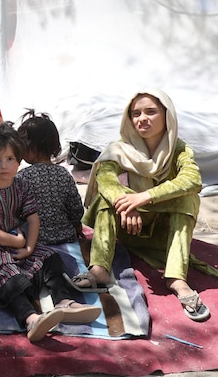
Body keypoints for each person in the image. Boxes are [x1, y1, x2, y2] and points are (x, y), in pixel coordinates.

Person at [79, 89, 214, 321]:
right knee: (107, 197)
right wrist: (128, 204)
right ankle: (99, 268)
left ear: (166, 115)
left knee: (188, 197)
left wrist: (144, 197)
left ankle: (176, 278)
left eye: (151, 112)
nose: (142, 118)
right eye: (136, 113)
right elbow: (106, 179)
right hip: (129, 226)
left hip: (162, 233)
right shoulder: (119, 148)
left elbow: (192, 180)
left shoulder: (179, 150)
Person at [0, 123, 100, 342]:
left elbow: (32, 217)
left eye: (10, 159)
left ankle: (64, 301)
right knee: (7, 274)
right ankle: (30, 318)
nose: (4, 166)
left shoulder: (20, 184)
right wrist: (16, 241)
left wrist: (30, 246)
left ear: (19, 159)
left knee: (50, 258)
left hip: (19, 240)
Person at [16, 110, 84, 247]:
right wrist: (77, 226)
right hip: (66, 237)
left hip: (33, 240)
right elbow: (76, 210)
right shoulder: (64, 174)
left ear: (32, 146)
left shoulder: (22, 177)